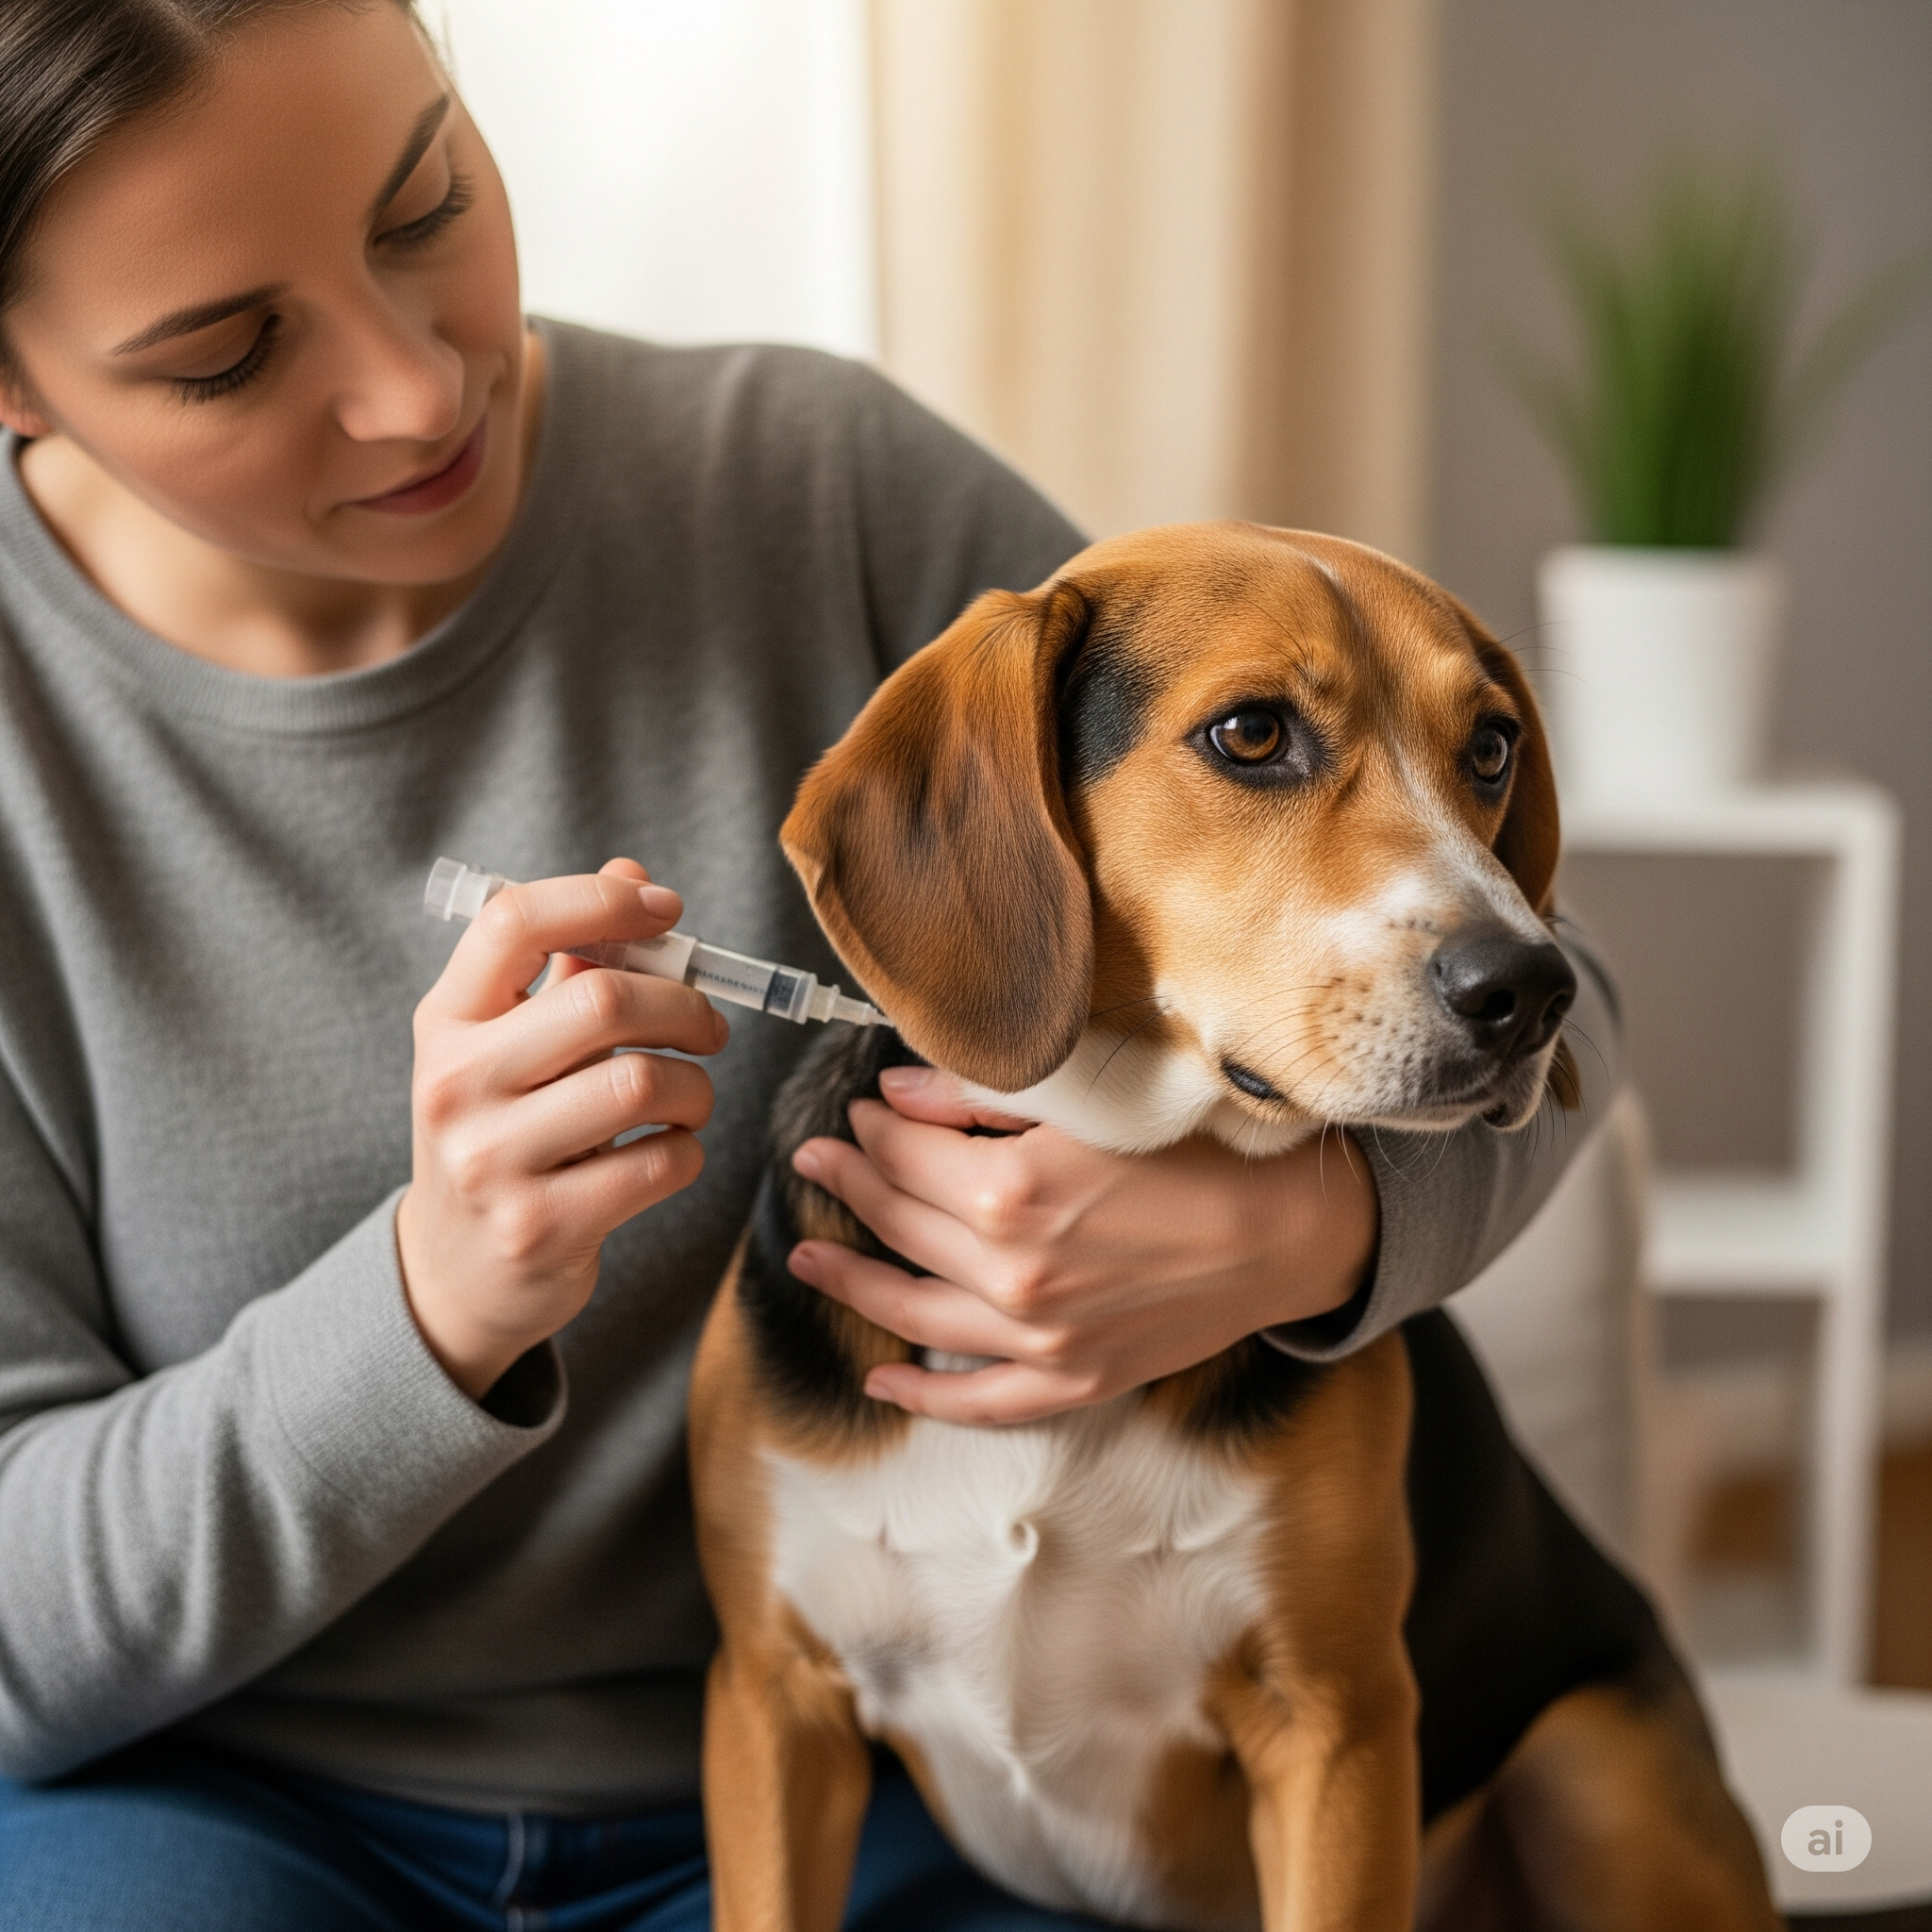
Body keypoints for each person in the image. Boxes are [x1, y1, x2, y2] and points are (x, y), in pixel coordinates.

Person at [0, 3, 1620, 1926]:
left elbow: (1525, 985)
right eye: (226, 352)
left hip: (904, 1786)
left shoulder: (811, 485)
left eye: (426, 199)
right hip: (210, 1805)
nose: (420, 388)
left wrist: (1307, 1233)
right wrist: (428, 1302)